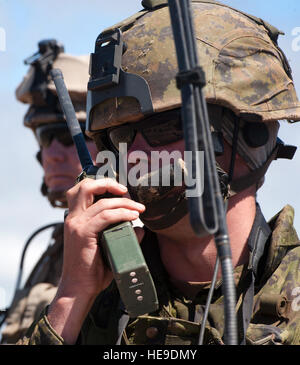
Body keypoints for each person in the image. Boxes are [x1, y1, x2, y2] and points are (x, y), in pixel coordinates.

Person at [17, 1, 300, 345]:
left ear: (252, 135)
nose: (132, 155)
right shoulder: (91, 305)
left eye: (164, 128)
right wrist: (70, 300)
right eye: (119, 137)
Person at [0, 40, 98, 344]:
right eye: (45, 137)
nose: (53, 153)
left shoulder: (139, 241)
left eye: (69, 137)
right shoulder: (60, 246)